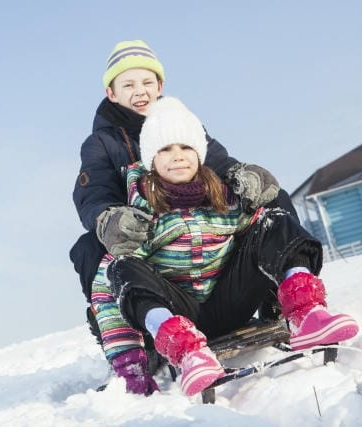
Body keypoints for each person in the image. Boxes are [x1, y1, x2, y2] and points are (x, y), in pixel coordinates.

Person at [94, 96, 359, 397]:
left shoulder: (224, 198)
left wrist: (257, 186)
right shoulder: (140, 216)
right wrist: (128, 361)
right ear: (151, 160)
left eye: (186, 147)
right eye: (165, 149)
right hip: (181, 315)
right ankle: (185, 350)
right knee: (120, 266)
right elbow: (108, 290)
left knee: (272, 221)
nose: (177, 156)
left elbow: (265, 242)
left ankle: (305, 312)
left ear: (200, 153)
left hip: (231, 302)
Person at [70, 39, 291, 376]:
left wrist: (244, 177)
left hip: (203, 246)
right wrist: (109, 218)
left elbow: (220, 163)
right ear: (111, 93)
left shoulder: (183, 124)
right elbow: (93, 192)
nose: (139, 91)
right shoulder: (103, 143)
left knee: (274, 201)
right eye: (127, 85)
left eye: (146, 82)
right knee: (88, 248)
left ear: (159, 86)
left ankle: (280, 294)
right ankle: (135, 334)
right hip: (151, 250)